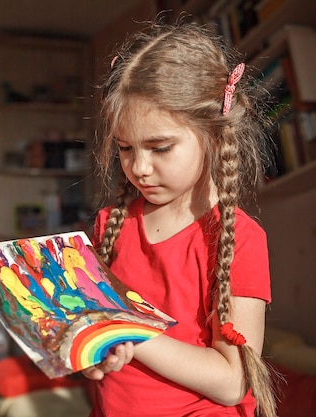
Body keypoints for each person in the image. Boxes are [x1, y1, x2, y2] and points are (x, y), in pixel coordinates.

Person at [83, 18, 277, 417]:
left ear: (214, 135)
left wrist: (130, 333)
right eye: (125, 148)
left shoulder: (239, 237)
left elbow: (232, 382)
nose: (139, 168)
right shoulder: (110, 224)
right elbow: (99, 353)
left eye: (160, 148)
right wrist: (95, 357)